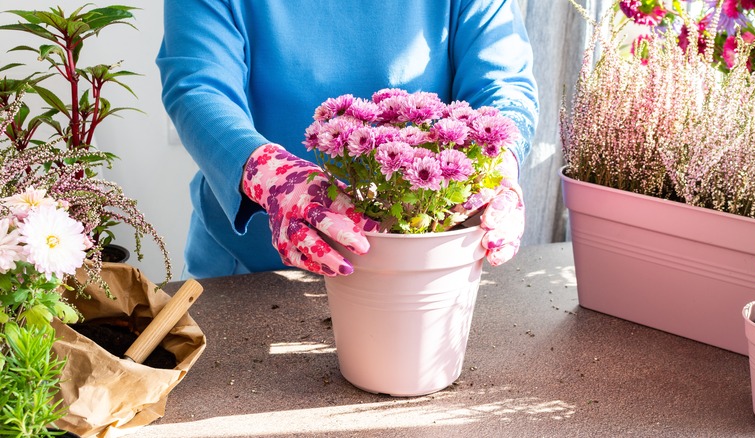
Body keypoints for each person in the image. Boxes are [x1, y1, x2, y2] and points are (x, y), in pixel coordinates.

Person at [157, 0, 539, 279]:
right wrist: (274, 176)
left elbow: (503, 83)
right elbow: (198, 87)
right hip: (254, 268)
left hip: (420, 269)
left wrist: (499, 162)